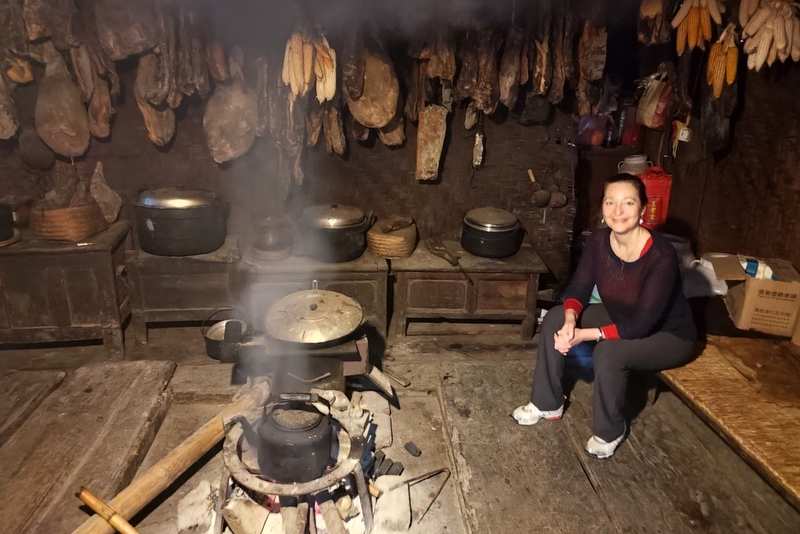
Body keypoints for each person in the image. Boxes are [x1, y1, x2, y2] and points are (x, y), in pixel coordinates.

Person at [513, 173, 697, 458]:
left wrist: (582, 336)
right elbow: (580, 286)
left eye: (627, 203)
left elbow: (640, 324)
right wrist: (571, 320)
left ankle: (610, 430)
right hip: (621, 315)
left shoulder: (661, 256)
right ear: (603, 207)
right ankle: (547, 402)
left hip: (667, 335)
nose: (617, 211)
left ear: (642, 208)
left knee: (609, 352)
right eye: (610, 202)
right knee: (555, 318)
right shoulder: (599, 241)